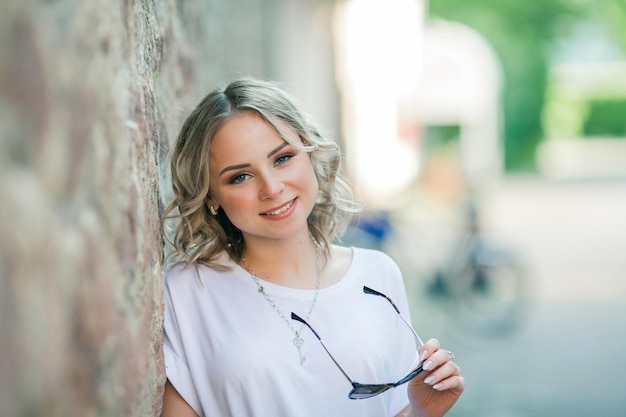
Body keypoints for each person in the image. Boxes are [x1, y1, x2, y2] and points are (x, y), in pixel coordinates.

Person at [161, 78, 465, 417]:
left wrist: (424, 412)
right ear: (212, 196)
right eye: (240, 177)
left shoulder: (378, 276)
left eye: (283, 158)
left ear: (309, 153)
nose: (272, 188)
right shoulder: (186, 292)